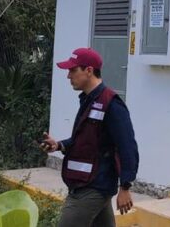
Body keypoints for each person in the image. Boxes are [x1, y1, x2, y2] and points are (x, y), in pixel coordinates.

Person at [40, 48, 138, 227]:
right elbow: (85, 141)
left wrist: (125, 187)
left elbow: (128, 147)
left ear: (89, 71)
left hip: (92, 187)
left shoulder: (111, 103)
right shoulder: (88, 100)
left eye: (73, 70)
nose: (68, 76)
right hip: (87, 182)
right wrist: (59, 145)